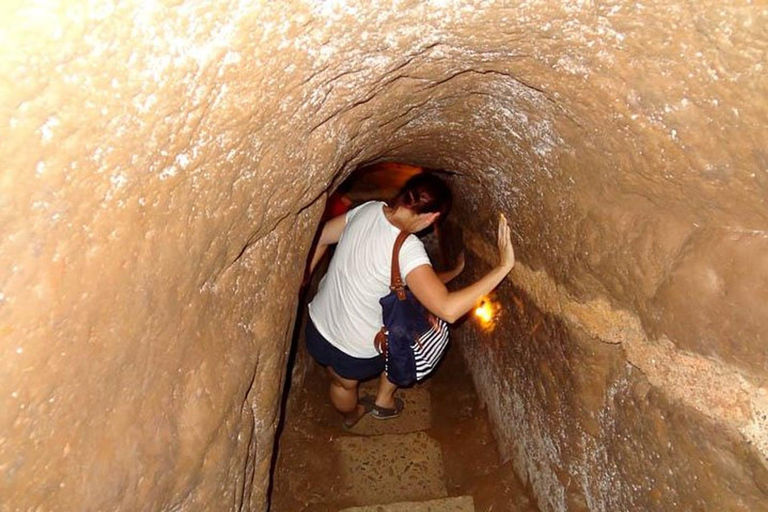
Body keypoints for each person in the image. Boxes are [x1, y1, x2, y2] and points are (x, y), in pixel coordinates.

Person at [305, 173, 515, 428]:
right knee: (381, 355)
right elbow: (448, 310)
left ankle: (353, 413)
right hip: (354, 349)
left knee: (337, 380)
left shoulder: (367, 209)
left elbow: (323, 237)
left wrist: (304, 280)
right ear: (432, 217)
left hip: (316, 324)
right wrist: (503, 267)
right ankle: (370, 407)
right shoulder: (408, 248)